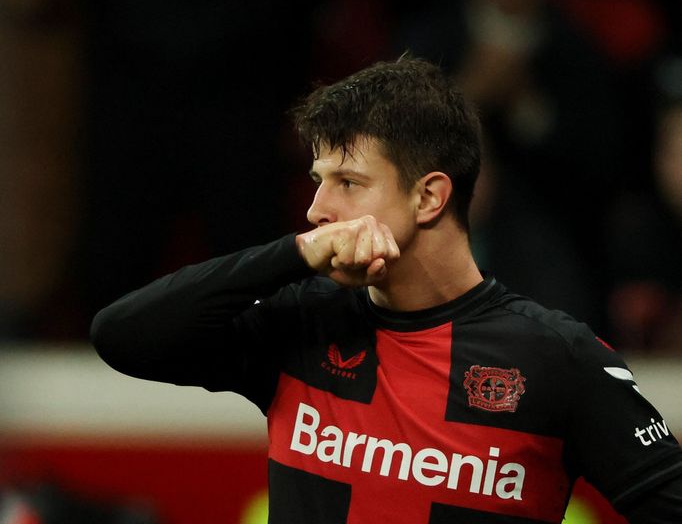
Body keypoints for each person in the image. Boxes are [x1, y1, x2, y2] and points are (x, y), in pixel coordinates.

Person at [90, 56, 682, 523]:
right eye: (318, 181)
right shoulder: (301, 323)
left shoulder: (555, 357)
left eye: (349, 182)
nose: (318, 210)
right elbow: (121, 336)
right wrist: (290, 255)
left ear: (429, 197)